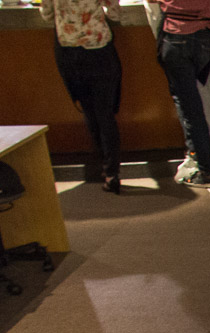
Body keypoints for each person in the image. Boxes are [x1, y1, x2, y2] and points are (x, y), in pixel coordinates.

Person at [41, 0, 123, 194]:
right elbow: (114, 13)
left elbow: (47, 14)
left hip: (69, 52)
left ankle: (103, 165)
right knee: (105, 113)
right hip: (98, 48)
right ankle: (112, 172)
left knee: (89, 110)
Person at [156, 0, 210, 188]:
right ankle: (195, 155)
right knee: (191, 101)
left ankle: (207, 170)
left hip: (177, 36)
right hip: (205, 36)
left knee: (189, 106)